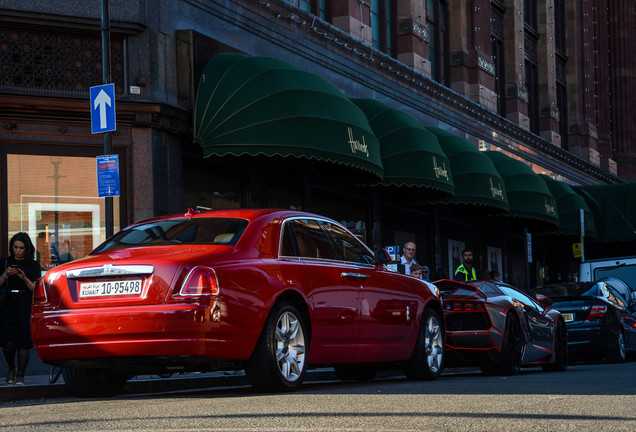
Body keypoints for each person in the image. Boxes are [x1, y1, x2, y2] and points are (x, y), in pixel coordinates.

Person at [0, 232, 41, 385]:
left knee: (24, 341)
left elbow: (35, 289)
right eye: (15, 247)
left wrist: (24, 277)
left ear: (26, 248)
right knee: (8, 342)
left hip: (24, 302)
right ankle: (11, 368)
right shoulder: (5, 262)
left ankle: (20, 376)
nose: (18, 250)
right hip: (8, 303)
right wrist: (5, 274)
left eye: (21, 248)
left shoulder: (33, 265)